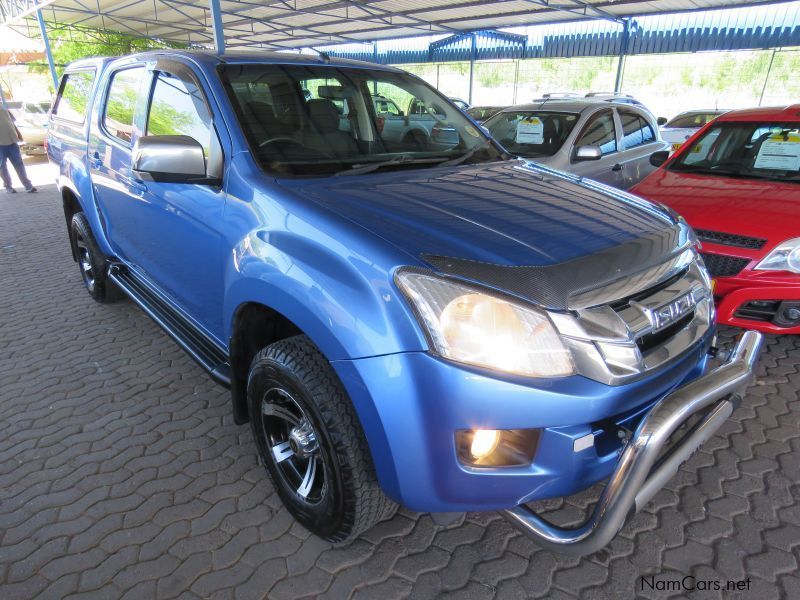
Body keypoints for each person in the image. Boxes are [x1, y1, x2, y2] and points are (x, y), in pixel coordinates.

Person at [0, 106, 36, 193]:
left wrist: (18, 134)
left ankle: (28, 186)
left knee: (19, 164)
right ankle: (8, 186)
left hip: (12, 142)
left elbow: (12, 122)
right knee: (2, 167)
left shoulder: (4, 109)